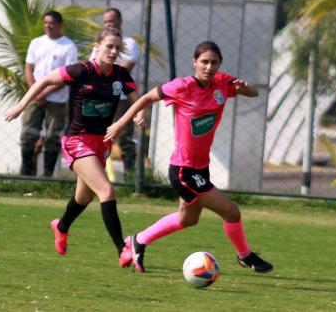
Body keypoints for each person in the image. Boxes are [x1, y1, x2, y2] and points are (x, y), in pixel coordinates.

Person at [105, 41, 274, 274]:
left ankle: (138, 240)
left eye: (214, 62)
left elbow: (253, 93)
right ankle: (245, 255)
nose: (209, 66)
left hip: (201, 167)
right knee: (231, 211)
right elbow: (146, 98)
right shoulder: (181, 86)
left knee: (188, 219)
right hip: (184, 171)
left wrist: (244, 87)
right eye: (204, 61)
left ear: (219, 64)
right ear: (195, 62)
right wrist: (121, 123)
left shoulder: (223, 83)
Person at [5, 27, 145, 267]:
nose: (113, 52)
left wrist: (139, 113)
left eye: (117, 48)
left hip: (101, 143)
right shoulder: (81, 70)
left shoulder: (121, 75)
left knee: (83, 196)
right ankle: (122, 249)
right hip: (76, 141)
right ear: (97, 45)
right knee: (107, 192)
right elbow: (46, 80)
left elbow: (138, 99)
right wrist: (20, 106)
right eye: (108, 46)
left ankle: (61, 227)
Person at [20, 10, 78, 177]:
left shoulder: (68, 46)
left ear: (59, 25)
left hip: (57, 100)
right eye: (45, 22)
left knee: (53, 137)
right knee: (28, 134)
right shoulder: (36, 43)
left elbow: (68, 76)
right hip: (34, 98)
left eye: (51, 23)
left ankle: (47, 176)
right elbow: (29, 68)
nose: (48, 26)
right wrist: (35, 92)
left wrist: (44, 92)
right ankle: (26, 174)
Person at [90, 8, 140, 173]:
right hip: (100, 98)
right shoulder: (101, 43)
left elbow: (123, 69)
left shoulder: (129, 43)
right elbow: (93, 67)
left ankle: (130, 177)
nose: (108, 24)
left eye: (111, 21)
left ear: (120, 21)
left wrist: (103, 72)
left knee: (124, 139)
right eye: (105, 21)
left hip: (121, 100)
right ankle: (95, 174)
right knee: (96, 137)